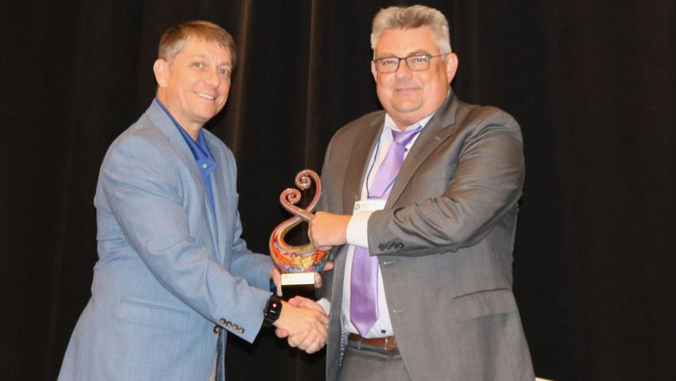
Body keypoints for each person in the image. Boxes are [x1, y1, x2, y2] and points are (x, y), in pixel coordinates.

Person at [58, 20, 328, 381]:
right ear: (163, 71)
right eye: (198, 65)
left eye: (224, 70)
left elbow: (227, 254)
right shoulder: (138, 152)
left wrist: (280, 274)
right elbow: (178, 261)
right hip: (131, 363)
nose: (214, 81)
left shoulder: (220, 156)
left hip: (197, 365)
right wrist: (277, 311)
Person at [307, 5, 535, 381]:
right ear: (373, 70)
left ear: (449, 66)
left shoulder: (488, 131)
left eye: (419, 59)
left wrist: (347, 227)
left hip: (456, 358)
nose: (403, 74)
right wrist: (321, 306)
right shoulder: (347, 140)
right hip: (357, 358)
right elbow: (333, 253)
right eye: (389, 61)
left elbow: (455, 220)